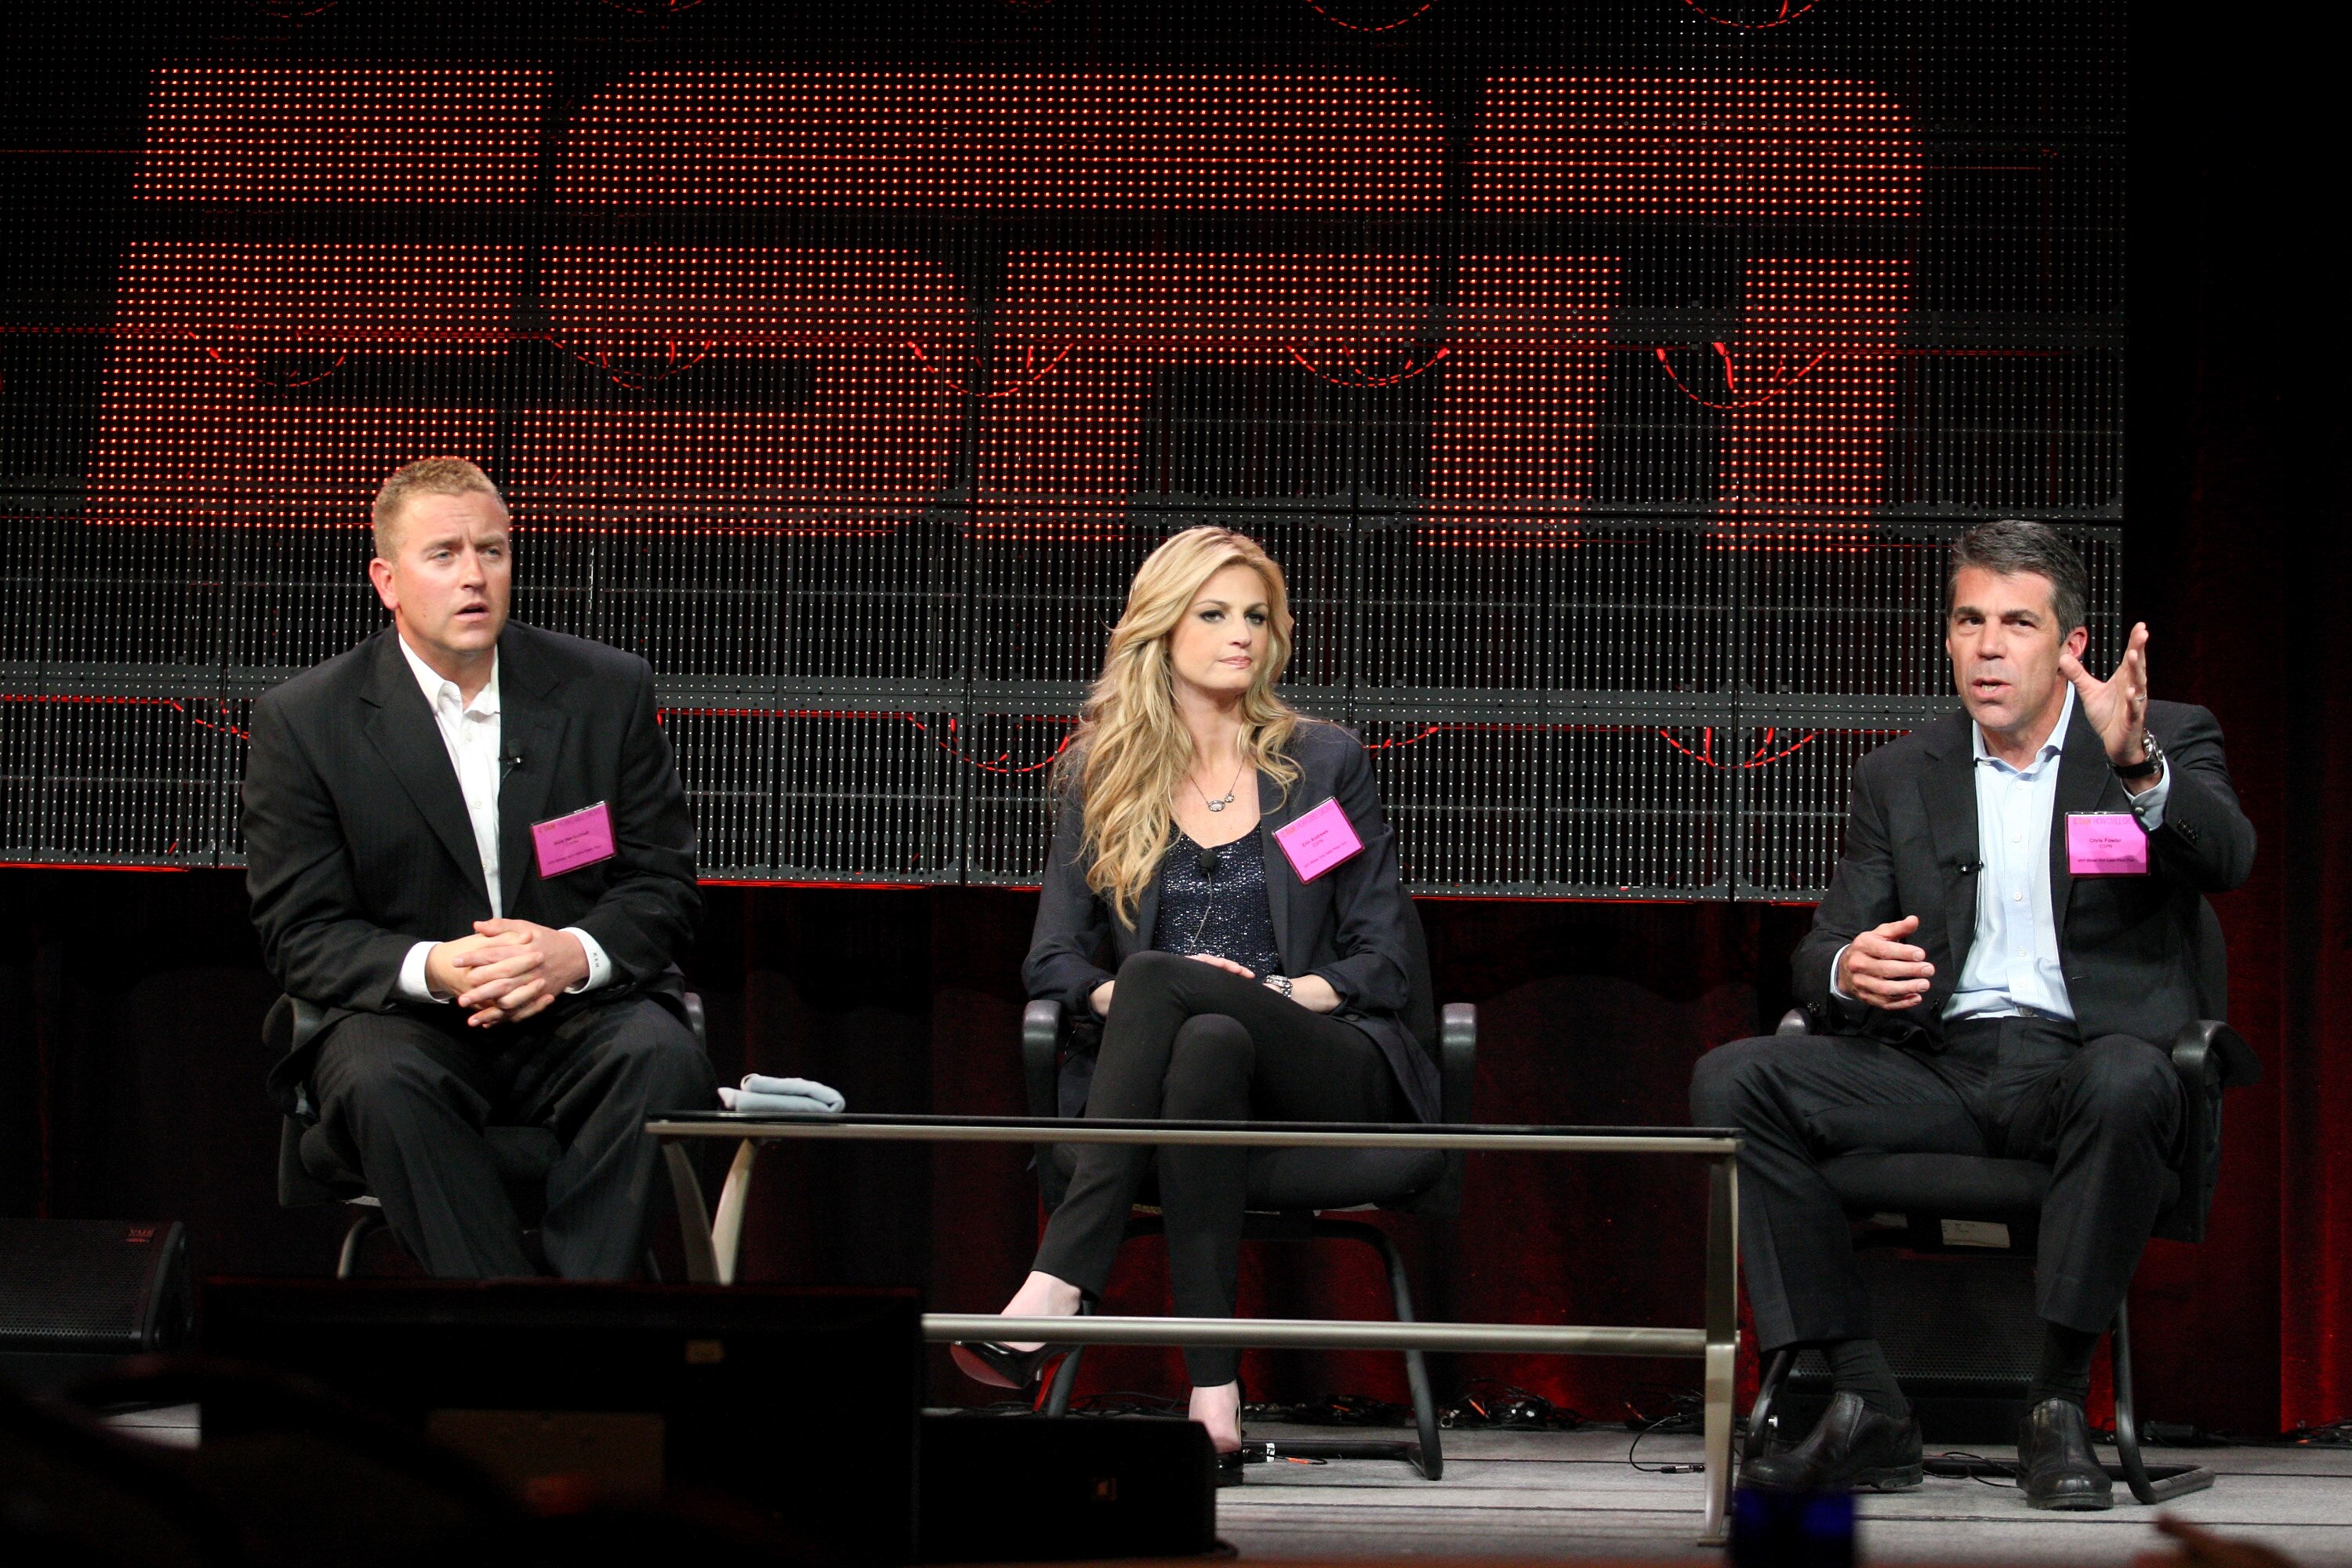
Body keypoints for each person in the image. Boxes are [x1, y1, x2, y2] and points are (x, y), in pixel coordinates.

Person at [1691, 518, 2255, 1508]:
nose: (1990, 647)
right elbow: (1818, 949)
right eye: (1969, 620)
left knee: (2132, 1075)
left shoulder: (2156, 733)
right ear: (1948, 636)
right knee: (1737, 1076)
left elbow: (2229, 856)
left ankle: (2054, 1404)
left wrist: (2140, 770)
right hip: (1939, 1064)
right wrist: (1844, 972)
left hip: (2082, 1065)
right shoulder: (1901, 773)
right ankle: (1866, 1399)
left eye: (2018, 623)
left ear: (2071, 646)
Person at [954, 527, 1440, 1472]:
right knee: (1203, 1029)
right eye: (1215, 614)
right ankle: (1214, 1390)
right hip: (1182, 1082)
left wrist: (1280, 988)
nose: (1242, 635)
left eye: (1257, 616)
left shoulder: (1319, 767)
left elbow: (1383, 960)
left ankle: (1058, 1277)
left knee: (1183, 987)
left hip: (1318, 1056)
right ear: (1160, 629)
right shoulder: (1103, 774)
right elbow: (1051, 959)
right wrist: (1139, 996)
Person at [242, 457, 713, 1278]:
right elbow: (300, 930)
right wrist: (437, 966)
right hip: (409, 1019)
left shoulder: (605, 689)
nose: (474, 577)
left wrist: (576, 951)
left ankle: (573, 1327)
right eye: (445, 554)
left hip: (575, 1011)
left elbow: (661, 880)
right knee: (380, 1079)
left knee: (662, 1057)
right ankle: (508, 1333)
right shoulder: (307, 720)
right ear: (386, 580)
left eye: (492, 551)